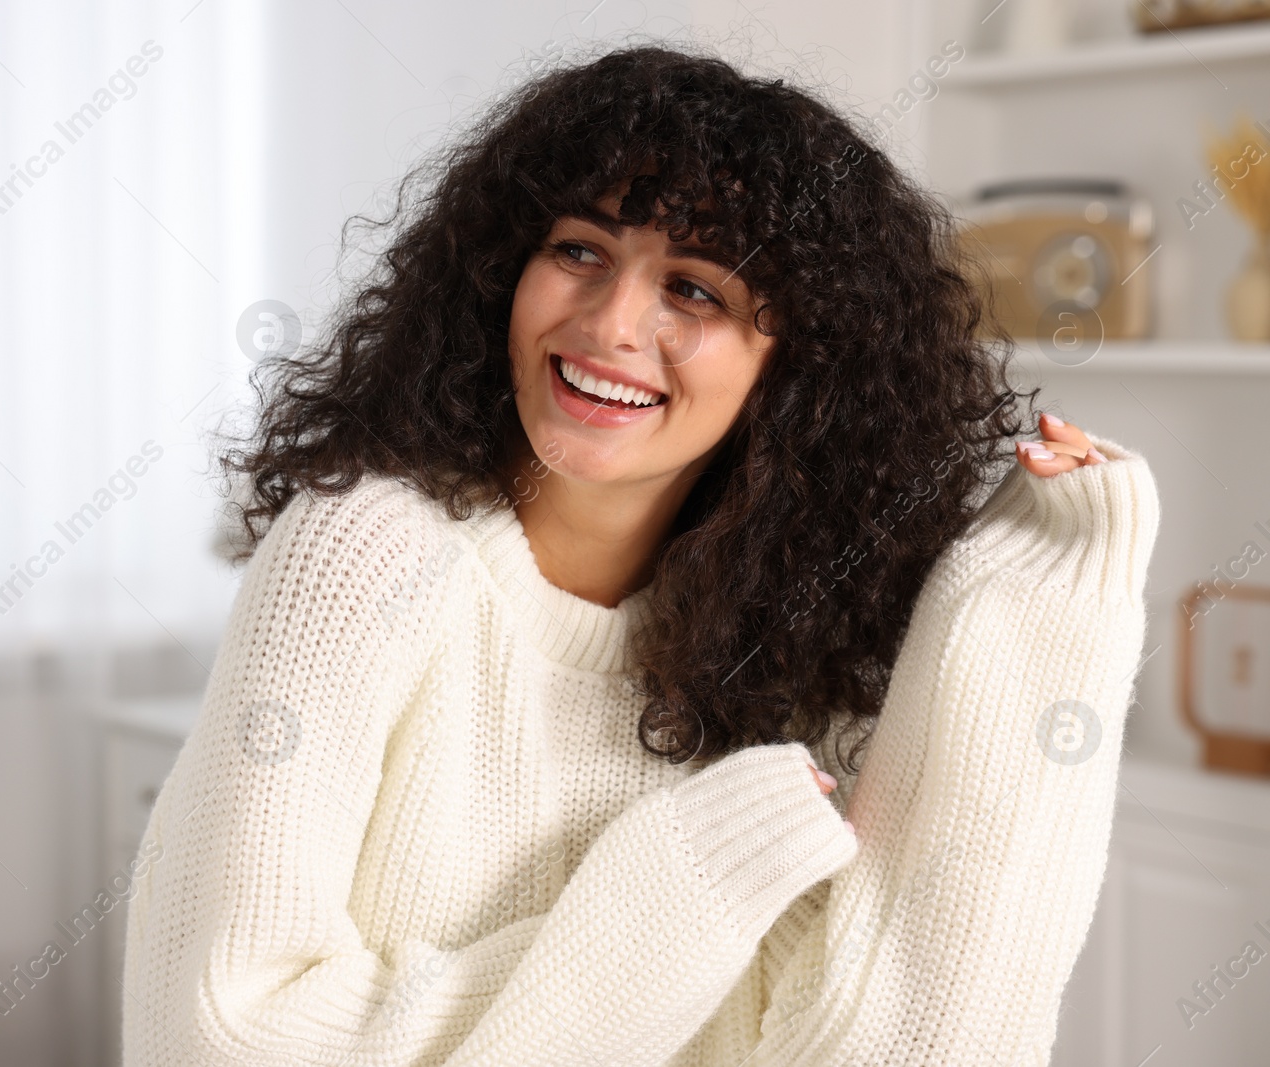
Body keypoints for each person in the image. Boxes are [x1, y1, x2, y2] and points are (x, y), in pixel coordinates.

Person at [121, 45, 1158, 1066]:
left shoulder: (805, 627)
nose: (610, 324)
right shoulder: (363, 551)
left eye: (695, 290)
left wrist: (1045, 601)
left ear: (795, 366)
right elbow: (219, 1033)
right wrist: (669, 907)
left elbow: (890, 1041)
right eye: (578, 250)